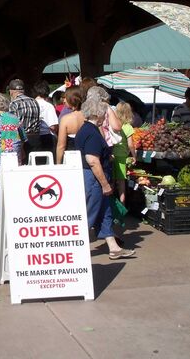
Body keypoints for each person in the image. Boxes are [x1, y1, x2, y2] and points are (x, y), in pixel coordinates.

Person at [75, 97, 135, 260]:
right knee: (90, 214)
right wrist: (105, 184)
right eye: (104, 114)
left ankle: (114, 248)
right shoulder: (91, 133)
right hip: (94, 180)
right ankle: (74, 250)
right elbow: (92, 161)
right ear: (98, 114)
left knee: (105, 212)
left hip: (94, 179)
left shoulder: (86, 129)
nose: (105, 117)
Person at [0, 93, 26, 223]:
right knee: (11, 184)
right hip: (11, 155)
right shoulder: (14, 118)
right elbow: (23, 138)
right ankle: (12, 209)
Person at [7, 78, 41, 156]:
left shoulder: (14, 103)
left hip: (22, 139)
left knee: (23, 165)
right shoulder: (34, 101)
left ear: (12, 91)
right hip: (36, 137)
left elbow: (13, 123)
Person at [112, 102, 136, 204]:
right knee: (121, 181)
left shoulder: (113, 124)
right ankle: (122, 202)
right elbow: (130, 144)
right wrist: (134, 155)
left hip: (112, 155)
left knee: (112, 180)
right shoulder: (127, 126)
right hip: (122, 156)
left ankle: (111, 203)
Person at [55, 85, 84, 164]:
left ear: (72, 99)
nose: (64, 101)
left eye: (66, 98)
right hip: (87, 157)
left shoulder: (65, 120)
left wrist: (58, 164)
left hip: (71, 158)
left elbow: (61, 146)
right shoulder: (89, 116)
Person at [33, 80, 59, 155]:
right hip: (48, 137)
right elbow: (53, 126)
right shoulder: (49, 106)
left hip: (33, 137)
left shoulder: (31, 104)